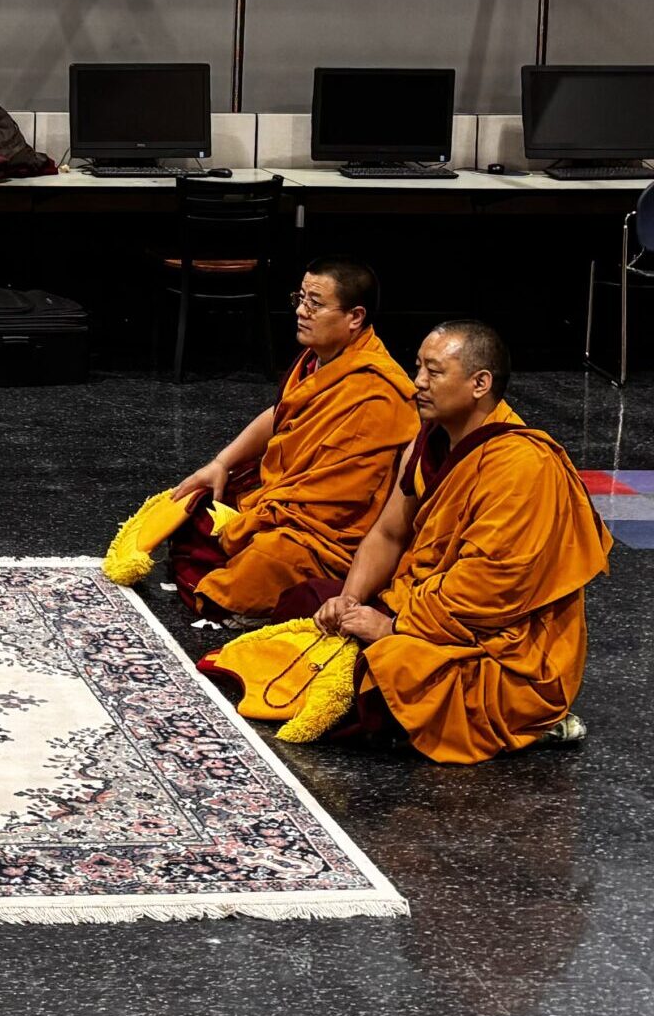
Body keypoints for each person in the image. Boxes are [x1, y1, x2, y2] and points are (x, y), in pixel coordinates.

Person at [308, 321, 608, 763]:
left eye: (434, 372)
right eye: (418, 369)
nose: (418, 384)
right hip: (429, 609)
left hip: (505, 647)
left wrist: (392, 627)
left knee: (380, 678)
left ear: (479, 383)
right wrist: (350, 600)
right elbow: (388, 533)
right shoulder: (426, 443)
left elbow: (490, 589)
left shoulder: (523, 466)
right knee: (314, 610)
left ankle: (535, 724)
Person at [163, 260, 417, 620]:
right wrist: (220, 463)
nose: (300, 310)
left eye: (315, 303)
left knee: (261, 563)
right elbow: (281, 413)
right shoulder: (319, 359)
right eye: (301, 297)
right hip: (283, 498)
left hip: (327, 532)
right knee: (195, 506)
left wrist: (266, 515)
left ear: (355, 317)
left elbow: (339, 502)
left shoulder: (378, 392)